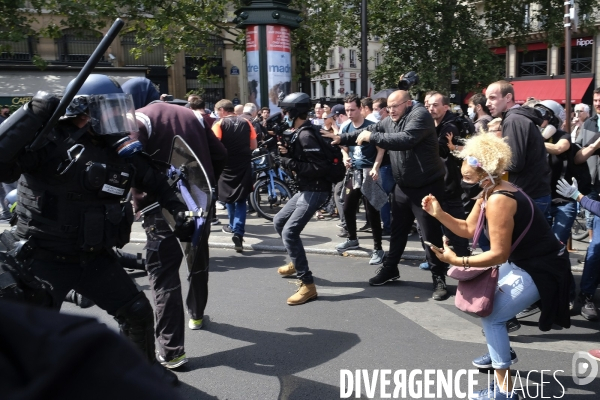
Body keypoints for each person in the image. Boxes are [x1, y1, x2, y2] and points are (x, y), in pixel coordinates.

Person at [0, 74, 193, 385]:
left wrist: (180, 210)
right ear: (82, 110)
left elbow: (157, 182)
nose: (116, 117)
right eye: (108, 109)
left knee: (136, 312)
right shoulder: (47, 141)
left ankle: (141, 377)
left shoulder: (116, 149)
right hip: (41, 259)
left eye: (119, 109)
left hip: (93, 258)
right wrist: (30, 115)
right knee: (30, 336)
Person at [422, 133, 571, 400]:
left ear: (485, 174)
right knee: (485, 305)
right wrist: (439, 213)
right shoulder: (490, 192)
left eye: (469, 178)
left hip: (542, 268)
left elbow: (498, 255)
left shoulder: (500, 199)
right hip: (526, 262)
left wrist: (456, 261)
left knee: (492, 316)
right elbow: (468, 229)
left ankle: (505, 391)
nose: (464, 183)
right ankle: (501, 351)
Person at [124, 78, 228, 368]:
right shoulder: (192, 114)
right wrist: (206, 186)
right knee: (198, 261)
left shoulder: (139, 118)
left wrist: (135, 199)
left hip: (159, 208)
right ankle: (196, 314)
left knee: (164, 275)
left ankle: (172, 350)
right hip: (199, 200)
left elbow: (130, 162)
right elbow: (220, 154)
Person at [328, 90, 450, 300]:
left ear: (408, 103)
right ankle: (390, 268)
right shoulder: (389, 120)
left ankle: (438, 277)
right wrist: (341, 137)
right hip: (403, 186)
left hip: (425, 186)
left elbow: (406, 139)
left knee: (430, 234)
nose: (391, 110)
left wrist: (372, 136)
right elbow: (369, 130)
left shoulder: (419, 115)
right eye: (389, 107)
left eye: (396, 106)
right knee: (397, 231)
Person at [274, 92, 333, 305]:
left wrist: (289, 162)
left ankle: (307, 285)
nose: (284, 115)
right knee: (279, 221)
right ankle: (296, 260)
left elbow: (319, 167)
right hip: (305, 187)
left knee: (290, 232)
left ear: (294, 112)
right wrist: (288, 154)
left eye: (286, 111)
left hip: (316, 190)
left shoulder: (306, 135)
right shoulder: (300, 131)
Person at [486, 80, 552, 216]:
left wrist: (487, 164)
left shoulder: (514, 120)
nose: (487, 103)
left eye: (492, 98)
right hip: (533, 194)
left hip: (529, 196)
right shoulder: (516, 118)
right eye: (487, 99)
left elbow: (515, 162)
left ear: (508, 97)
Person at [334, 94, 385, 265]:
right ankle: (352, 239)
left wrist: (376, 168)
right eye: (346, 110)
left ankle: (378, 249)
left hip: (369, 171)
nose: (349, 113)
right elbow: (344, 148)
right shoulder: (346, 126)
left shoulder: (372, 127)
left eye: (352, 109)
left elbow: (381, 149)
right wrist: (344, 157)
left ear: (361, 109)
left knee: (372, 211)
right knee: (348, 207)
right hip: (353, 172)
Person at [212, 99, 257, 252]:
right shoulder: (246, 123)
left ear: (222, 110)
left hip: (226, 166)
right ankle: (238, 231)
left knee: (228, 197)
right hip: (243, 164)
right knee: (241, 199)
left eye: (218, 111)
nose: (217, 114)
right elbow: (253, 145)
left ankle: (233, 227)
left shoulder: (219, 124)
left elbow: (215, 145)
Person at [573, 87, 600, 320]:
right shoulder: (588, 124)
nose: (598, 104)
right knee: (596, 244)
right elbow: (577, 156)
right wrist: (594, 146)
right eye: (595, 100)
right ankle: (587, 296)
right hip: (593, 189)